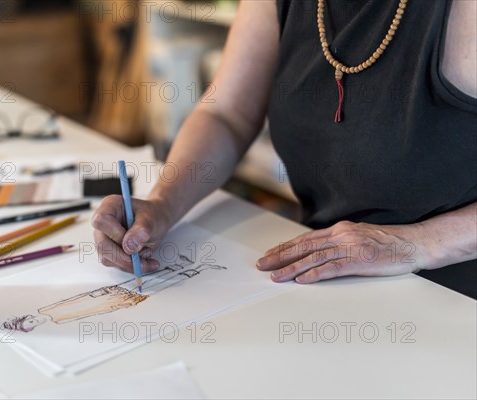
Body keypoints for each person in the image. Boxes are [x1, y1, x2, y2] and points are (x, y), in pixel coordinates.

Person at [92, 0, 476, 298]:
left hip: (456, 294)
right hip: (332, 279)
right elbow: (227, 114)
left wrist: (417, 244)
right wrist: (162, 205)